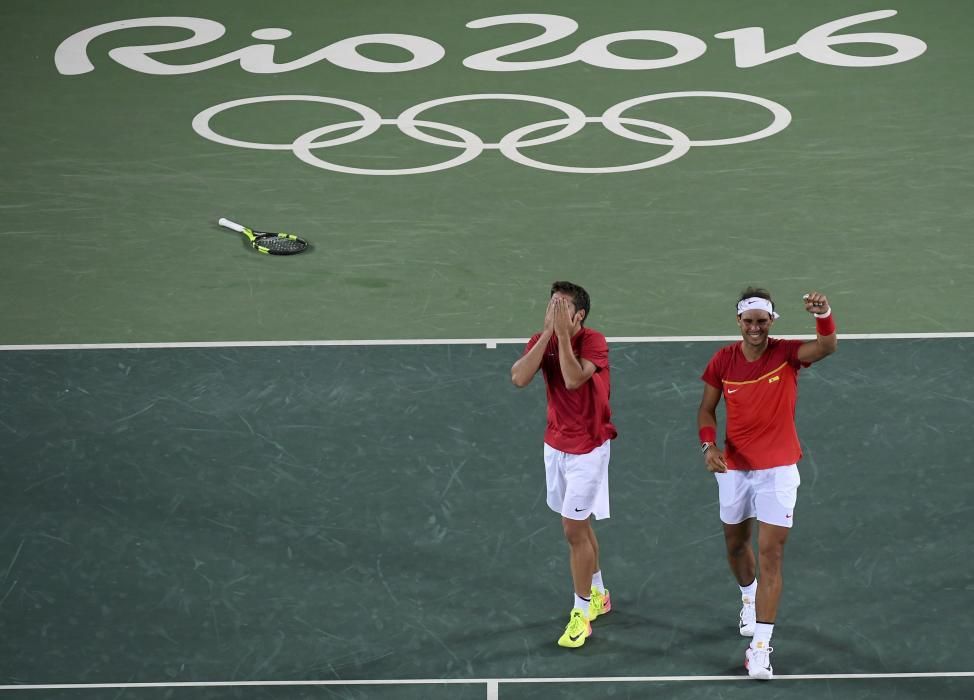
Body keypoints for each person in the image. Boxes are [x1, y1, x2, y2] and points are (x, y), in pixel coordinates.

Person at [697, 287, 837, 680]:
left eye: (762, 320)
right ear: (739, 322)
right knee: (736, 544)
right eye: (749, 320)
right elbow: (707, 408)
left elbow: (826, 346)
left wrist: (824, 313)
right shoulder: (722, 361)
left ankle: (760, 648)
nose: (755, 327)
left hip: (777, 471)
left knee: (771, 553)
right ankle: (748, 595)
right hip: (734, 469)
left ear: (771, 321)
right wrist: (707, 446)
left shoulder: (786, 354)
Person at [511, 281, 618, 648]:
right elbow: (519, 378)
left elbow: (573, 379)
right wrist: (548, 335)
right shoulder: (541, 339)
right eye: (550, 305)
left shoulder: (594, 341)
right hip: (555, 446)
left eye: (561, 307)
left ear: (579, 315)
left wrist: (563, 336)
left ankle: (581, 612)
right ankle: (600, 593)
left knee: (573, 530)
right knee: (580, 524)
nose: (553, 312)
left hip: (588, 448)